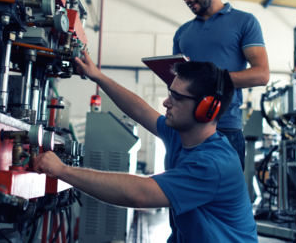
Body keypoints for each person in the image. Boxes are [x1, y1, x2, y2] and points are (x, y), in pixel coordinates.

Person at [33, 51, 258, 243]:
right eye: (170, 93)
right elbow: (140, 111)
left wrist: (62, 171)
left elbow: (138, 194)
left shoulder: (214, 164)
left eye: (177, 98)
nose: (166, 102)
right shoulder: (181, 133)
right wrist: (98, 77)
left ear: (207, 109)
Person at [172, 0, 270, 171]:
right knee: (182, 202)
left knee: (224, 203)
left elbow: (261, 74)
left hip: (225, 131)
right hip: (185, 131)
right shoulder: (182, 33)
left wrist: (210, 81)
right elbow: (174, 80)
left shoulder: (244, 22)